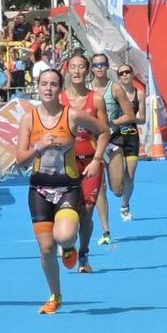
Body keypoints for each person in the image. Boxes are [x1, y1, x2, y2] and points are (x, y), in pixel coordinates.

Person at [15, 65, 108, 314]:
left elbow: (103, 131)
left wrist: (97, 160)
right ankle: (55, 295)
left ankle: (69, 247)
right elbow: (20, 159)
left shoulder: (73, 116)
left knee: (65, 236)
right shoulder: (28, 119)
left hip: (68, 187)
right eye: (44, 84)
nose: (48, 88)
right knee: (46, 249)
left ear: (60, 88)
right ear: (38, 87)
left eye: (53, 84)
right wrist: (38, 146)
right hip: (39, 190)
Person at [63, 52, 108, 260]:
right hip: (66, 164)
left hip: (90, 162)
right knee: (68, 209)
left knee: (87, 210)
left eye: (82, 67)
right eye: (73, 67)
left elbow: (103, 132)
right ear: (68, 70)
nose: (77, 71)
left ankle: (83, 252)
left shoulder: (96, 99)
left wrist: (98, 159)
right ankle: (67, 242)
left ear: (87, 70)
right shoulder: (59, 99)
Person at [102, 60, 144, 224]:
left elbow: (142, 118)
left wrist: (127, 118)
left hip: (131, 136)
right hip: (116, 137)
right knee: (117, 184)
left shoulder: (138, 93)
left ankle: (125, 206)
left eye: (128, 72)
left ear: (132, 74)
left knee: (130, 176)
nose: (125, 75)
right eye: (122, 73)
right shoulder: (114, 93)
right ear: (118, 77)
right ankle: (115, 185)